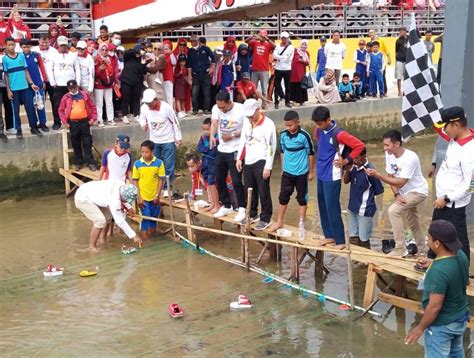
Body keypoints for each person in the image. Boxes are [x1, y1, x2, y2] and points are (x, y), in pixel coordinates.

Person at [405, 220, 469, 357]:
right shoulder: (461, 255)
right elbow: (463, 279)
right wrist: (433, 263)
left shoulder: (438, 272)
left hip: (442, 325)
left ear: (437, 243)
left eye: (429, 238)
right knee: (455, 353)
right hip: (459, 319)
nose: (428, 241)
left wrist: (419, 328)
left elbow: (434, 307)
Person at [366, 130, 429, 257]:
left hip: (418, 191)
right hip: (403, 192)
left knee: (393, 211)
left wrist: (378, 175)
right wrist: (396, 195)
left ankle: (400, 248)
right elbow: (391, 176)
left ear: (397, 144)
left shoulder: (411, 158)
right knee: (413, 221)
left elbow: (400, 182)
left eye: (387, 145)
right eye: (384, 145)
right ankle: (422, 250)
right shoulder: (389, 154)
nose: (384, 148)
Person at [312, 106, 365, 249]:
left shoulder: (339, 134)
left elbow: (359, 146)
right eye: (316, 124)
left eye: (321, 124)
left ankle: (340, 240)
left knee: (332, 206)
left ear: (328, 120)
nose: (318, 126)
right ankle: (329, 236)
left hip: (332, 174)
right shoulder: (318, 130)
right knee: (322, 204)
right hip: (321, 172)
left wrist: (346, 161)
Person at [430, 106, 474, 261]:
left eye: (446, 127)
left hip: (452, 205)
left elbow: (471, 186)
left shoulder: (469, 152)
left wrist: (447, 198)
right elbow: (438, 128)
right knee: (434, 236)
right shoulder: (455, 137)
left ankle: (462, 272)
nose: (444, 131)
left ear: (455, 125)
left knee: (458, 242)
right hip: (442, 201)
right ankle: (433, 264)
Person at [270, 110, 314, 232]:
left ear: (297, 122)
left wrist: (311, 172)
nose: (289, 128)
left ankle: (301, 223)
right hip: (288, 172)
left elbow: (311, 153)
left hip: (301, 172)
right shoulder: (283, 135)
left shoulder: (304, 136)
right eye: (287, 125)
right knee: (283, 197)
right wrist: (283, 168)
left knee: (302, 198)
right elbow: (283, 152)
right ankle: (280, 221)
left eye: (291, 125)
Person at [236, 99, 276, 230]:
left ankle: (266, 217)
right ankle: (252, 213)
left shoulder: (268, 124)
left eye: (251, 115)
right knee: (249, 189)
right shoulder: (247, 123)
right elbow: (243, 141)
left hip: (262, 159)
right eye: (248, 116)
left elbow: (271, 146)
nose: (249, 118)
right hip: (248, 159)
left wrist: (268, 166)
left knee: (263, 190)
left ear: (258, 110)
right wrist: (239, 158)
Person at [74, 180, 143, 253]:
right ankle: (92, 247)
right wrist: (134, 236)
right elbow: (119, 221)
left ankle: (102, 241)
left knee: (108, 217)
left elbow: (122, 198)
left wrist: (129, 207)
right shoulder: (114, 200)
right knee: (100, 221)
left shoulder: (121, 185)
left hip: (92, 193)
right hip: (83, 198)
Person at [210, 91, 246, 220]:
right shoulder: (216, 109)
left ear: (229, 102)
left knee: (236, 181)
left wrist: (231, 135)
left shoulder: (241, 109)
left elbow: (248, 129)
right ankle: (226, 205)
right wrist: (212, 136)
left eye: (223, 107)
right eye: (219, 107)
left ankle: (242, 207)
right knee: (219, 179)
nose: (221, 110)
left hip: (236, 149)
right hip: (222, 149)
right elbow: (214, 123)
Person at [139, 88, 182, 194]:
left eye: (150, 103)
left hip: (168, 139)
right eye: (147, 103)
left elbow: (174, 122)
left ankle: (168, 187)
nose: (149, 105)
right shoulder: (144, 108)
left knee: (168, 165)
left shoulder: (166, 108)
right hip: (154, 140)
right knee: (155, 164)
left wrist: (178, 138)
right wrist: (143, 124)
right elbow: (141, 118)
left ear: (155, 100)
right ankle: (157, 186)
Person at [343, 148, 384, 248]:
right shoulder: (353, 167)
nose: (354, 160)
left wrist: (366, 197)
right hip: (352, 207)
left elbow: (379, 189)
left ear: (364, 157)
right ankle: (356, 260)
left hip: (365, 209)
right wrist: (348, 169)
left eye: (356, 158)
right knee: (353, 236)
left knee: (363, 238)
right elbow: (345, 181)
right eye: (353, 157)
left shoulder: (370, 170)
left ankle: (365, 262)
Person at [3, 37, 40, 139]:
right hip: (14, 90)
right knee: (16, 111)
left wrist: (31, 83)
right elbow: (6, 76)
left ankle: (33, 127)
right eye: (9, 45)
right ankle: (18, 130)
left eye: (13, 44)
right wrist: (8, 90)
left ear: (15, 45)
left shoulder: (20, 56)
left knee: (30, 108)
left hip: (25, 87)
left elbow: (26, 71)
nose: (11, 47)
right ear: (6, 46)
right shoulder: (5, 59)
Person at [59, 79, 97, 171]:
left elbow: (93, 107)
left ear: (77, 86)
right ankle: (78, 162)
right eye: (71, 88)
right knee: (75, 143)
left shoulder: (84, 95)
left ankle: (90, 162)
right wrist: (65, 122)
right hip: (73, 123)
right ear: (68, 88)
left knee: (87, 142)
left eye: (74, 87)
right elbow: (61, 110)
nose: (73, 89)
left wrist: (93, 119)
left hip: (85, 122)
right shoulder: (66, 97)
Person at [132, 140, 165, 239]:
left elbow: (161, 180)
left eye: (146, 152)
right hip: (143, 197)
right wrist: (139, 197)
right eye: (142, 152)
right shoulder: (137, 164)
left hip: (155, 196)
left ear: (152, 151)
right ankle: (146, 240)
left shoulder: (159, 163)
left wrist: (157, 195)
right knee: (145, 219)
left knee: (154, 218)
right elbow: (135, 181)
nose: (144, 154)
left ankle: (152, 239)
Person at [48, 35, 81, 130]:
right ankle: (57, 122)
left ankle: (71, 120)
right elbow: (50, 69)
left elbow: (77, 69)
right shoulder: (53, 55)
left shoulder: (73, 55)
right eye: (61, 45)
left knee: (73, 104)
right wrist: (53, 82)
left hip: (71, 85)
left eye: (65, 45)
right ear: (58, 45)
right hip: (58, 84)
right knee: (57, 105)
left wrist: (77, 82)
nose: (63, 47)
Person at [20, 38, 49, 133]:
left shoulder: (36, 55)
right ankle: (33, 125)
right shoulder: (19, 57)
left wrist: (44, 81)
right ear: (21, 47)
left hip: (38, 84)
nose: (26, 49)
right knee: (29, 106)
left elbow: (42, 68)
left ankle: (43, 123)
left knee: (40, 104)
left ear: (31, 46)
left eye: (28, 47)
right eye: (24, 47)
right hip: (26, 85)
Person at [245, 30, 276, 108]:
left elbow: (275, 46)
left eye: (263, 36)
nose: (262, 37)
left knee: (264, 89)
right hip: (255, 69)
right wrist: (253, 36)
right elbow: (246, 41)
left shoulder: (268, 44)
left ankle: (264, 104)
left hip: (264, 70)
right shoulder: (255, 43)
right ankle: (253, 104)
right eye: (261, 36)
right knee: (253, 88)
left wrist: (267, 39)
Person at [186, 35, 215, 115]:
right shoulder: (190, 51)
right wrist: (190, 76)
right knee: (194, 93)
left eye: (194, 41)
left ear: (198, 41)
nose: (193, 43)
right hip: (195, 75)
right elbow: (189, 65)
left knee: (207, 93)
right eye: (191, 41)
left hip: (205, 74)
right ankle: (195, 109)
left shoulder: (205, 49)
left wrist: (212, 68)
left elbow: (213, 58)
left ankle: (206, 109)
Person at [196, 117, 220, 212]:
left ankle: (217, 204)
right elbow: (199, 148)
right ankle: (212, 203)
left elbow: (214, 151)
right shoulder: (202, 138)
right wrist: (208, 149)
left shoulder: (217, 138)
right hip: (205, 162)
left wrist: (206, 150)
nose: (206, 132)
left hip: (213, 163)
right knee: (207, 183)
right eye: (204, 130)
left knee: (212, 183)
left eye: (208, 129)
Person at [32, 35, 58, 116]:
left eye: (46, 42)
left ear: (49, 42)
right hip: (38, 80)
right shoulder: (34, 50)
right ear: (39, 41)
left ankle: (56, 122)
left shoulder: (54, 51)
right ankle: (42, 123)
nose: (44, 44)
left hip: (51, 80)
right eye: (42, 42)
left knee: (54, 101)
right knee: (39, 101)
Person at [120, 47, 147, 122]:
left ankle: (136, 115)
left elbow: (144, 71)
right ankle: (124, 115)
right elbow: (127, 52)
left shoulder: (141, 60)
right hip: (126, 81)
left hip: (137, 82)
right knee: (126, 99)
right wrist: (138, 51)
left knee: (136, 99)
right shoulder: (129, 57)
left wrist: (143, 61)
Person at [94, 43, 118, 127]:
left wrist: (115, 81)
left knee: (109, 102)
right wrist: (100, 70)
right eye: (102, 49)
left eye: (106, 50)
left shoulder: (110, 59)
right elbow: (94, 74)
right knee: (99, 103)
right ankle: (100, 119)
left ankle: (110, 118)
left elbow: (114, 71)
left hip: (109, 83)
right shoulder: (96, 59)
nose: (104, 51)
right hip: (99, 84)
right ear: (99, 50)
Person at [273, 31, 294, 109]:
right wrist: (282, 58)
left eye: (285, 38)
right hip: (278, 68)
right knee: (277, 86)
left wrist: (280, 58)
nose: (284, 40)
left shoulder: (291, 47)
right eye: (283, 38)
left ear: (288, 38)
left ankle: (287, 102)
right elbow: (275, 56)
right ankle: (276, 102)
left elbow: (290, 58)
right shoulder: (277, 46)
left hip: (287, 69)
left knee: (288, 86)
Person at [368, 29, 391, 94]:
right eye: (369, 33)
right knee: (373, 79)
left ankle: (384, 91)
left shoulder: (380, 40)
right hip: (373, 64)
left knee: (382, 78)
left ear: (375, 33)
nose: (371, 34)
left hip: (381, 62)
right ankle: (374, 92)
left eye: (372, 32)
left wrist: (389, 58)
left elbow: (386, 49)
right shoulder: (370, 42)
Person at [288, 39, 310, 107]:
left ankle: (302, 101)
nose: (303, 46)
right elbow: (295, 59)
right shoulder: (295, 50)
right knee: (294, 86)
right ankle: (294, 101)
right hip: (294, 73)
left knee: (302, 86)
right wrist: (302, 60)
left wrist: (302, 60)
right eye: (302, 44)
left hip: (302, 73)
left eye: (305, 44)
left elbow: (307, 62)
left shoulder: (307, 53)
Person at [174, 54, 190, 119]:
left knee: (183, 98)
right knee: (178, 98)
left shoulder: (186, 68)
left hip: (184, 85)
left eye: (183, 61)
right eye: (181, 61)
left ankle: (183, 110)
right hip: (178, 84)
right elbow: (174, 76)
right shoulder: (177, 68)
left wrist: (188, 80)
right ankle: (179, 111)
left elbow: (186, 76)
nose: (182, 63)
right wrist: (179, 74)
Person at [161, 40, 176, 106]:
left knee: (169, 96)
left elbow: (174, 62)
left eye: (167, 48)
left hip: (168, 78)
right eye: (164, 48)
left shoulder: (171, 56)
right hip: (161, 78)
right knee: (163, 96)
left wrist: (171, 53)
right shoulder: (161, 56)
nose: (165, 50)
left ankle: (170, 111)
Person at [395, 27, 408, 97]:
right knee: (399, 77)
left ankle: (405, 91)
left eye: (402, 31)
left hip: (407, 60)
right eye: (400, 32)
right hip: (399, 60)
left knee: (406, 77)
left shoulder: (409, 39)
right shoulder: (398, 41)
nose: (400, 33)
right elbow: (396, 51)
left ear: (405, 31)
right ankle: (399, 91)